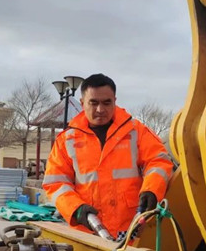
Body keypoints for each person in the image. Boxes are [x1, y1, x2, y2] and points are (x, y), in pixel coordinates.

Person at [43, 73, 174, 239]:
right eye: (94, 103)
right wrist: (75, 209)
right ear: (83, 103)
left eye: (106, 103)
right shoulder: (67, 140)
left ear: (114, 101)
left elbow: (158, 161)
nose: (100, 109)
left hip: (132, 232)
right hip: (88, 233)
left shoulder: (135, 131)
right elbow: (55, 183)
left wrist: (152, 190)